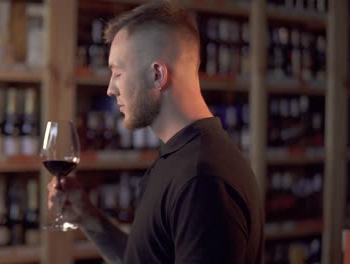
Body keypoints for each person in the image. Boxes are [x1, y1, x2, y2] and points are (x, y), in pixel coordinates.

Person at [47, 1, 264, 263]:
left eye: (117, 73)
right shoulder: (182, 156)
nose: (110, 89)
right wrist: (88, 218)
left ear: (157, 75)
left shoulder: (201, 181)